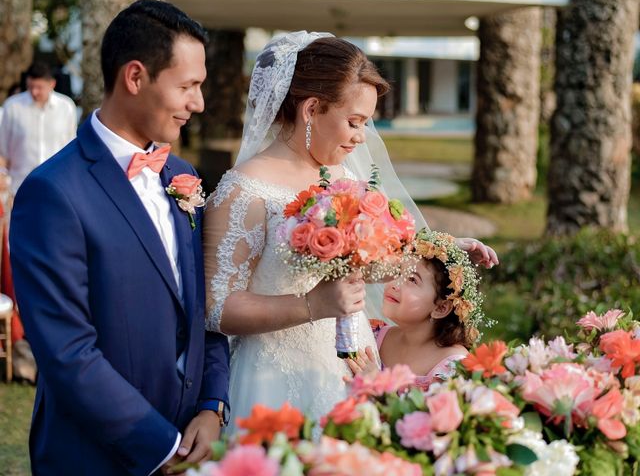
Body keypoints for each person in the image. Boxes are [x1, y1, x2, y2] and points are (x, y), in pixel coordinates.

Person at [203, 32, 498, 435]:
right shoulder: (244, 190)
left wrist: (437, 250)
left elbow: (369, 261)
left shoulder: (339, 177)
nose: (362, 137)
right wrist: (312, 305)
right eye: (354, 122)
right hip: (272, 378)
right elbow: (217, 308)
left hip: (352, 366)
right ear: (311, 109)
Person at [9, 0, 229, 475]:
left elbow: (202, 308)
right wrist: (160, 446)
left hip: (192, 442)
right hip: (95, 456)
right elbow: (67, 352)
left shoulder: (183, 175)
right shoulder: (51, 192)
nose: (199, 103)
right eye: (187, 86)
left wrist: (212, 407)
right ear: (135, 77)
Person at [347, 229, 485, 390]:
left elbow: (430, 415)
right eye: (398, 272)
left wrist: (379, 386)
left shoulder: (451, 368)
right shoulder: (374, 334)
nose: (394, 284)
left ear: (441, 308)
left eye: (412, 280)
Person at [0, 62, 77, 195]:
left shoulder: (67, 107)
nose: (34, 92)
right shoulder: (12, 107)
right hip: (19, 187)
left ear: (52, 84)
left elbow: (71, 148)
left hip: (57, 187)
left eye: (39, 87)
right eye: (30, 87)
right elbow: (3, 150)